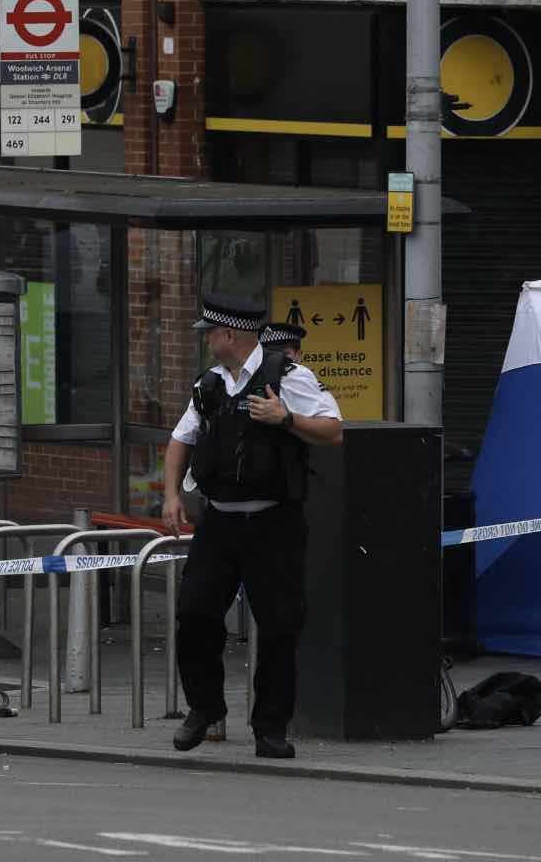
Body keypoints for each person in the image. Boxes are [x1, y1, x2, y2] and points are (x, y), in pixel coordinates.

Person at [163, 294, 343, 759]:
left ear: (229, 335)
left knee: (280, 626)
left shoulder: (289, 377)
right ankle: (204, 707)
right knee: (195, 614)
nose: (206, 341)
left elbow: (332, 430)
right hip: (219, 519)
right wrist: (171, 495)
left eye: (210, 333)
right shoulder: (209, 383)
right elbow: (181, 439)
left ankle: (270, 728)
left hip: (274, 523)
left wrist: (286, 418)